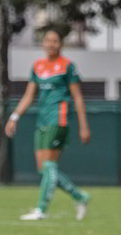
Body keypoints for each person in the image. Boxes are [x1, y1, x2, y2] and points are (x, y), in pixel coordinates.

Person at [5, 30, 91, 220]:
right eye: (48, 41)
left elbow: (77, 97)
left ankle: (41, 209)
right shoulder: (37, 66)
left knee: (49, 166)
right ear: (43, 44)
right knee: (44, 170)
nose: (51, 44)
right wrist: (14, 117)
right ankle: (80, 196)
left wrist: (84, 126)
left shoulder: (67, 66)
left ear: (60, 44)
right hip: (42, 120)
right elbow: (29, 96)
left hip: (58, 119)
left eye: (55, 41)